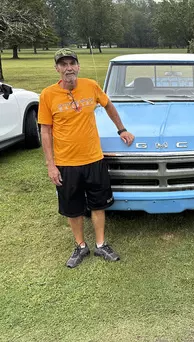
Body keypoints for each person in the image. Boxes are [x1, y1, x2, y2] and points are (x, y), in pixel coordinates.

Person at [38, 48, 135, 268]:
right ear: (57, 69)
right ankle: (81, 246)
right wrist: (51, 165)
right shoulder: (47, 95)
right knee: (73, 208)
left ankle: (101, 244)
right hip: (66, 163)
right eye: (63, 64)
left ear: (78, 66)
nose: (68, 68)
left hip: (93, 158)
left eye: (72, 63)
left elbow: (108, 105)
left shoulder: (91, 86)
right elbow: (45, 130)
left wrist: (122, 129)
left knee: (98, 204)